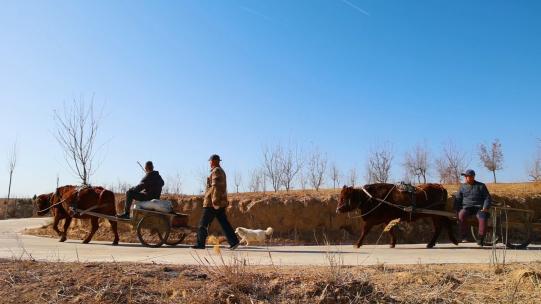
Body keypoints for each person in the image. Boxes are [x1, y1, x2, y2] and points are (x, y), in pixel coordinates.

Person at [192, 154, 239, 250]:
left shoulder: (216, 171)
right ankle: (234, 242)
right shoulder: (221, 171)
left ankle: (200, 244)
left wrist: (214, 201)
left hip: (212, 203)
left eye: (210, 161)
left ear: (213, 161)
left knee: (203, 224)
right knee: (224, 223)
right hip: (219, 202)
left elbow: (215, 187)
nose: (209, 163)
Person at [454, 169, 492, 246]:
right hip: (467, 208)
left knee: (483, 217)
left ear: (473, 177)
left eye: (467, 176)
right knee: (461, 215)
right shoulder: (462, 187)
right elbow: (458, 198)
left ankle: (480, 238)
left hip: (479, 208)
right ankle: (464, 236)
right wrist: (456, 209)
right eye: (466, 176)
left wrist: (485, 207)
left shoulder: (481, 186)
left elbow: (487, 197)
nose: (466, 178)